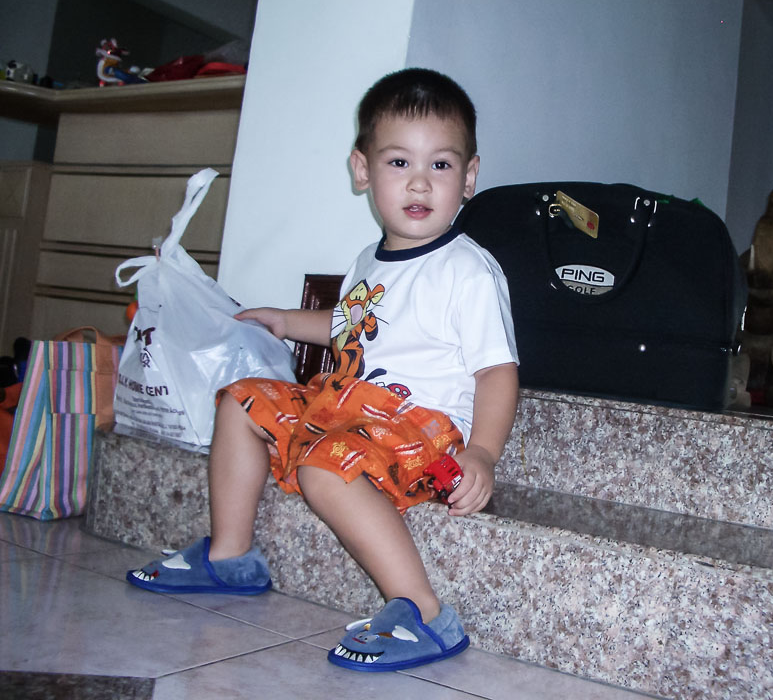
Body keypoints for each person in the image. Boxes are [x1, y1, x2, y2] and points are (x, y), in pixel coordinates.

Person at [126, 68, 519, 673]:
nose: (419, 181)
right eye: (398, 162)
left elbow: (496, 371)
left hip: (420, 430)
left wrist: (484, 454)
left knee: (323, 466)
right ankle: (230, 556)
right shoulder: (368, 260)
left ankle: (422, 610)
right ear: (363, 170)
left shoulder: (466, 270)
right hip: (349, 410)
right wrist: (286, 321)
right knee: (242, 400)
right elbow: (351, 326)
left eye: (440, 165)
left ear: (468, 178)